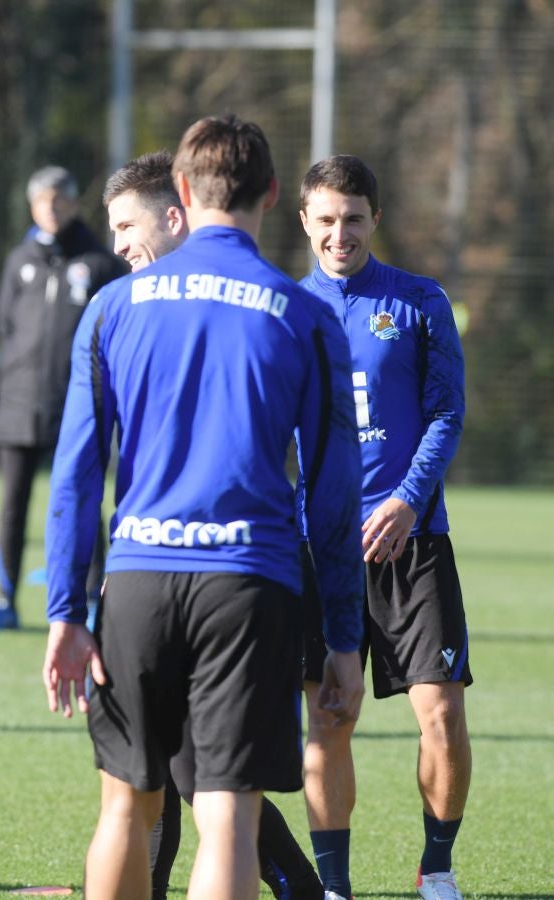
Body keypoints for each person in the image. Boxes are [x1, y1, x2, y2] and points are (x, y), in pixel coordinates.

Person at [41, 115, 366, 900]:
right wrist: (344, 636)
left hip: (138, 581)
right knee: (226, 817)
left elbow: (76, 473)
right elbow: (331, 494)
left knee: (124, 804)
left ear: (181, 193)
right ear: (273, 194)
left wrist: (64, 609)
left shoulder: (114, 308)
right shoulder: (305, 316)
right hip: (248, 586)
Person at [102, 150, 325, 900]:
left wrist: (68, 608)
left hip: (194, 574)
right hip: (222, 579)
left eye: (127, 225)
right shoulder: (138, 306)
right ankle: (294, 881)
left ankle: (295, 880)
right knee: (194, 780)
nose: (118, 246)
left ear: (180, 210)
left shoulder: (127, 311)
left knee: (187, 786)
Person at [295, 155, 469, 900]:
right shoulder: (281, 308)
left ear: (375, 218)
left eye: (353, 218)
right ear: (303, 220)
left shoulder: (417, 301)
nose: (340, 234)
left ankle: (436, 866)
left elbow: (445, 412)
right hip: (320, 549)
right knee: (329, 719)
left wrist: (403, 500)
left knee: (441, 715)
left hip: (412, 541)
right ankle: (334, 887)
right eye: (326, 220)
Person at [0, 165, 126, 631]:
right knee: (11, 506)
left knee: (83, 499)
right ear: (32, 206)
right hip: (19, 403)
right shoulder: (20, 258)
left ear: (74, 203)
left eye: (59, 200)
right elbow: (6, 326)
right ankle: (5, 602)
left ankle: (95, 600)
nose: (51, 208)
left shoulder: (100, 263)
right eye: (43, 201)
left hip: (75, 405)